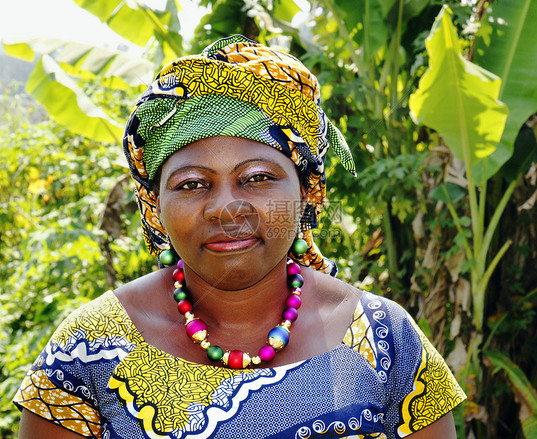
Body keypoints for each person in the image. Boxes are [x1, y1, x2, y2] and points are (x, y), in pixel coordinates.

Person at [14, 35, 466, 439]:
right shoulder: (86, 351)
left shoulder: (385, 338)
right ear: (155, 207)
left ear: (305, 193)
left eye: (257, 178)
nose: (227, 207)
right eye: (192, 184)